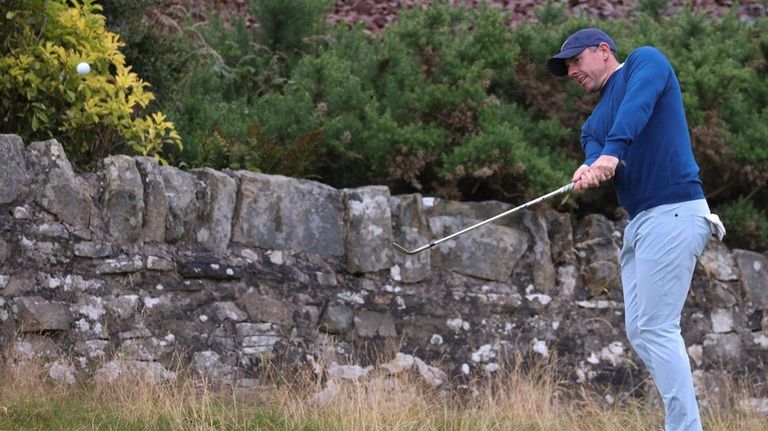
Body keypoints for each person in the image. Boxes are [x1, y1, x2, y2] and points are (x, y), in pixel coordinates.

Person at [547, 28, 725, 431]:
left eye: (576, 61)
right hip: (643, 223)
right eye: (567, 67)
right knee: (641, 332)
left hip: (676, 212)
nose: (572, 71)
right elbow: (596, 146)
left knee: (658, 328)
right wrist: (590, 166)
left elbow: (637, 108)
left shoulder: (647, 62)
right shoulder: (592, 125)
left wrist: (613, 153)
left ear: (603, 51)